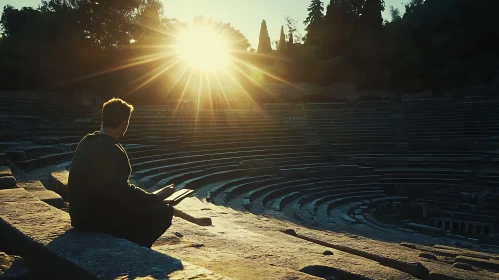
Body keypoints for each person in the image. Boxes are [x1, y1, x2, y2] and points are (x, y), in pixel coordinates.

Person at [68, 97, 175, 248]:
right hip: (96, 219)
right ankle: (134, 248)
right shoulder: (111, 149)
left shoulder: (86, 141)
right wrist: (154, 197)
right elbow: (119, 191)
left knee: (147, 206)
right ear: (125, 122)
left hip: (80, 214)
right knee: (164, 212)